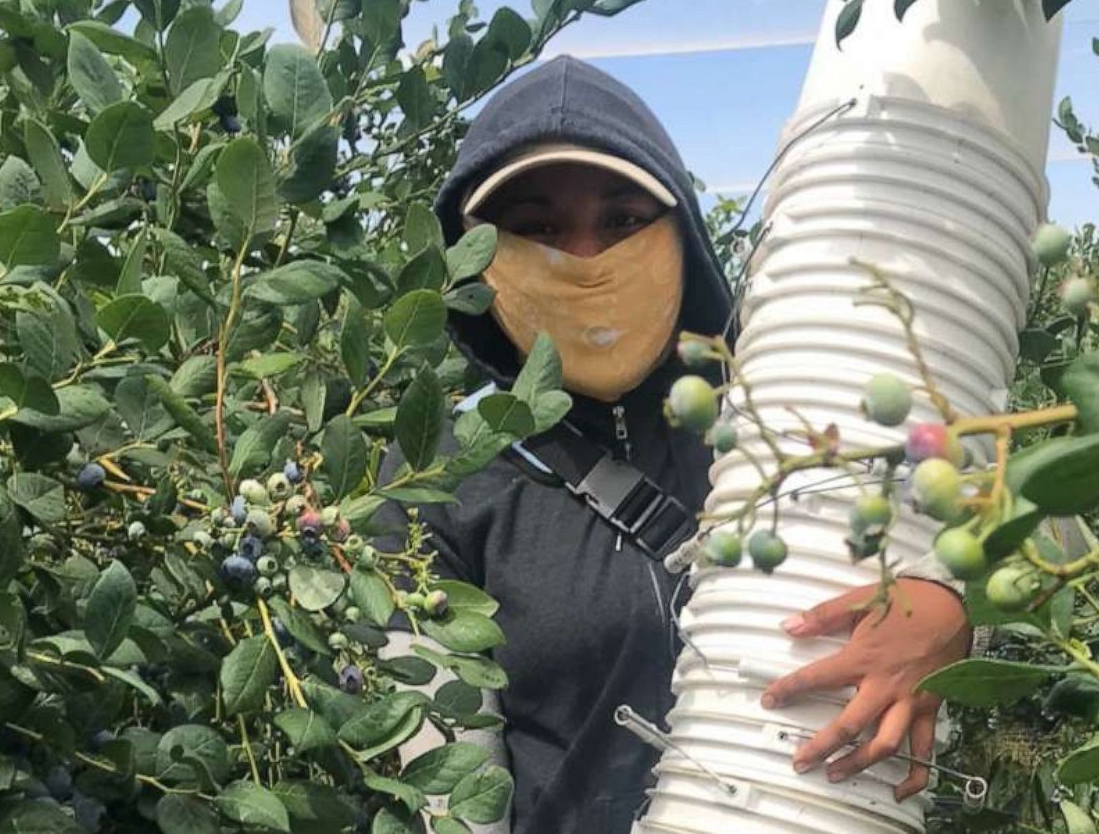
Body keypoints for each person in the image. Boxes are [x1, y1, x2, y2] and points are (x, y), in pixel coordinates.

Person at [375, 55, 973, 834]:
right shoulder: (437, 472)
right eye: (537, 227)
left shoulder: (792, 409)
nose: (586, 259)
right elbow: (450, 795)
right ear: (477, 260)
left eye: (622, 220)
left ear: (681, 237)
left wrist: (954, 611)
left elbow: (1038, 523)